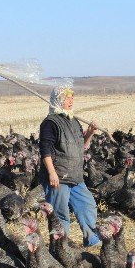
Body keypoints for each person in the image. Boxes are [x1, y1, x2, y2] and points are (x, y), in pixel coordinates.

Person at [39, 85, 101, 246]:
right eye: (67, 97)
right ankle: (61, 246)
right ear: (58, 100)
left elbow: (82, 146)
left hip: (75, 175)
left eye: (72, 97)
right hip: (58, 176)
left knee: (88, 205)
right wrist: (52, 173)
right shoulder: (50, 122)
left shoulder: (73, 121)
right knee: (60, 213)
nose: (71, 100)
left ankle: (93, 241)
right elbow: (45, 150)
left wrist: (90, 133)